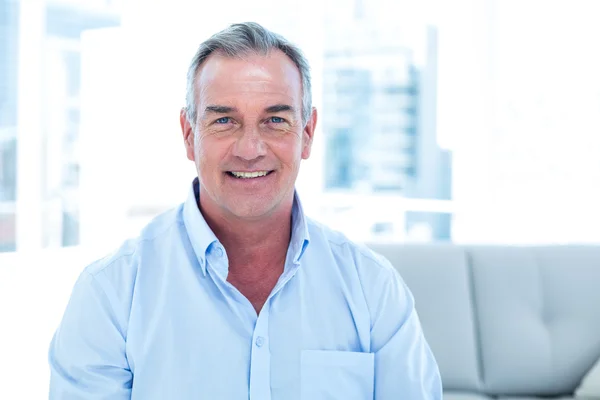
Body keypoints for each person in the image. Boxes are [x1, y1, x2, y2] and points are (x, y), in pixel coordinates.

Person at [48, 22, 442, 399]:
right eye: (224, 120)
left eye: (275, 120)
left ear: (307, 134)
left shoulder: (372, 288)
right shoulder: (111, 294)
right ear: (189, 135)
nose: (250, 149)